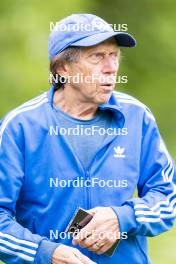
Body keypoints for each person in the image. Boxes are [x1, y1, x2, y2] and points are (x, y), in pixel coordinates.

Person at [0, 13, 175, 264]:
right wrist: (45, 253)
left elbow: (169, 198)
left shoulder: (137, 117)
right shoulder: (20, 127)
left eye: (114, 56)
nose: (111, 67)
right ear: (63, 68)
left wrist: (122, 217)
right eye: (96, 57)